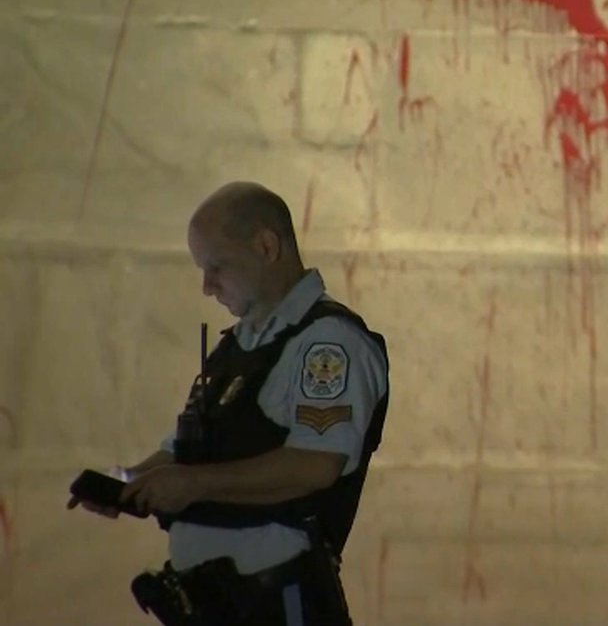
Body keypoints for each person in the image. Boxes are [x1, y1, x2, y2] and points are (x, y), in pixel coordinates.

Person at [68, 181, 390, 626]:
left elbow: (316, 465)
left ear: (266, 246)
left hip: (278, 604)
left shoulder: (326, 345)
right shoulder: (239, 346)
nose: (206, 286)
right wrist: (129, 481)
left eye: (217, 266)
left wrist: (194, 484)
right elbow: (186, 451)